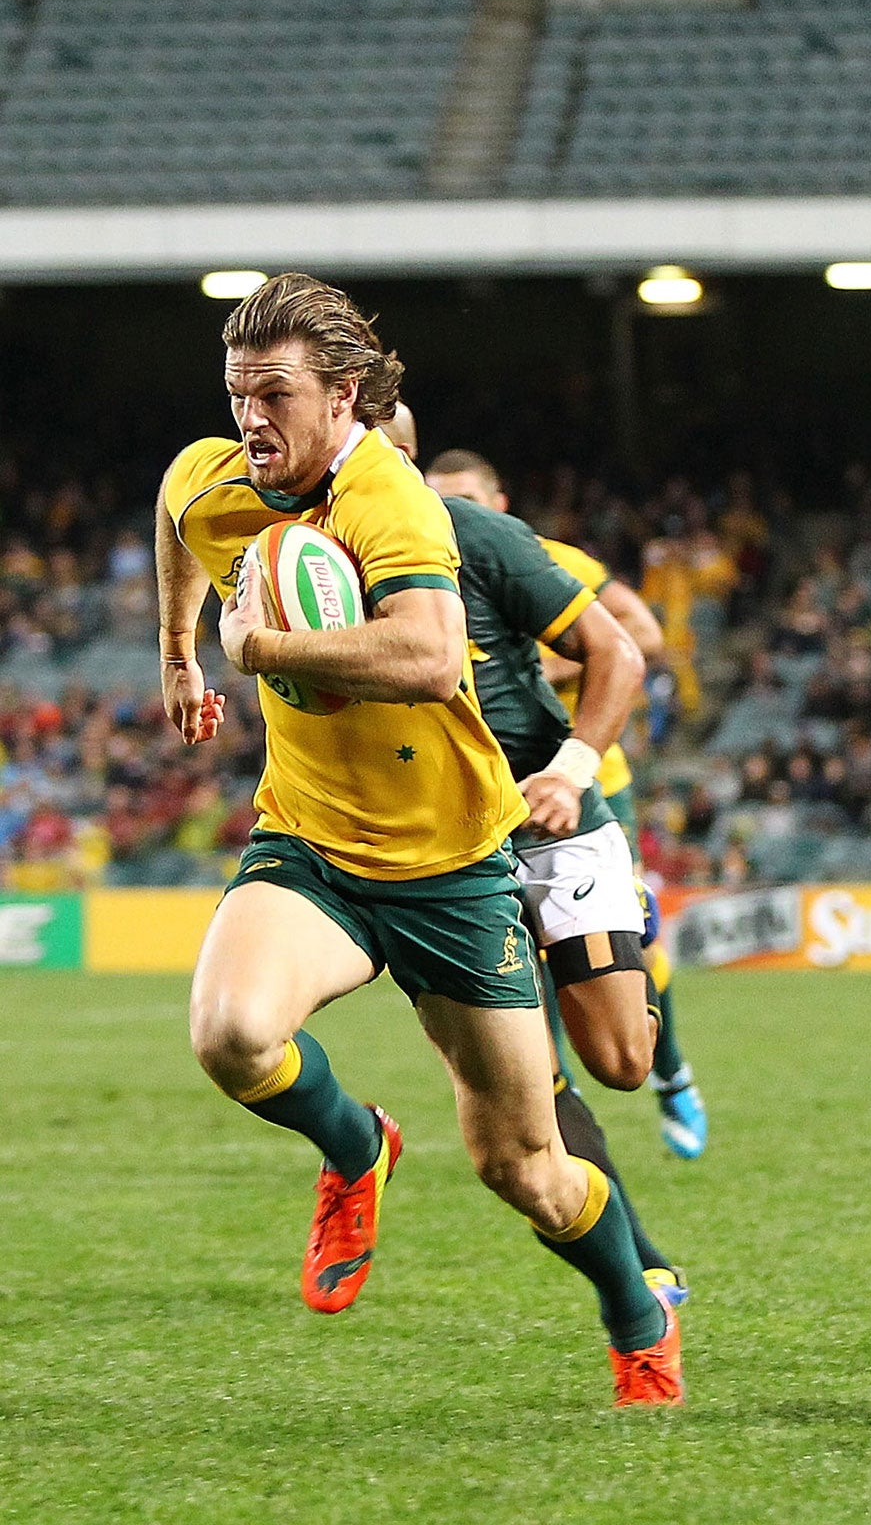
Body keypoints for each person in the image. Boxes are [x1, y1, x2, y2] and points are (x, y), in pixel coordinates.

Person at [155, 274, 680, 1406]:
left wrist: (258, 654)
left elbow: (431, 657)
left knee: (526, 1169)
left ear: (342, 395)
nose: (252, 417)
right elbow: (175, 507)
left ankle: (635, 1312)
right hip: (312, 847)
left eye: (276, 393)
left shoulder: (391, 502)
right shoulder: (222, 475)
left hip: (452, 868)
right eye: (238, 391)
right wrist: (177, 648)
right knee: (231, 1033)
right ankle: (356, 1148)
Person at [403, 443, 691, 1320]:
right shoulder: (323, 560)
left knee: (619, 1061)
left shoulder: (508, 546)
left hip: (554, 813)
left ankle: (661, 1045)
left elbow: (633, 644)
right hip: (444, 857)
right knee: (533, 1103)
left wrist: (564, 751)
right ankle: (641, 1274)